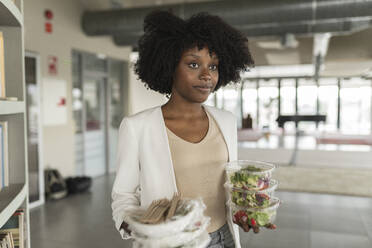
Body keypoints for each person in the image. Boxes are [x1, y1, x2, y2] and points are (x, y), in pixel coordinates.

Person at [112, 10, 255, 248]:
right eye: (193, 64)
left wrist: (244, 210)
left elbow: (225, 185)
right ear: (169, 66)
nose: (207, 75)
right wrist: (145, 227)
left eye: (214, 66)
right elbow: (123, 196)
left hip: (226, 237)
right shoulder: (137, 127)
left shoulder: (226, 121)